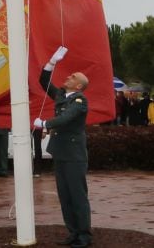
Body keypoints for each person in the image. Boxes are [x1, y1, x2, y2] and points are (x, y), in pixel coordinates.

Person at [32, 46, 92, 248]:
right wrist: (51, 62)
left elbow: (65, 118)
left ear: (78, 85)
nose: (68, 76)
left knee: (77, 196)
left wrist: (45, 124)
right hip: (61, 153)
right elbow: (44, 82)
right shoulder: (62, 96)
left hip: (74, 155)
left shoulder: (79, 100)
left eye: (72, 76)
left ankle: (84, 235)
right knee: (65, 196)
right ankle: (73, 232)